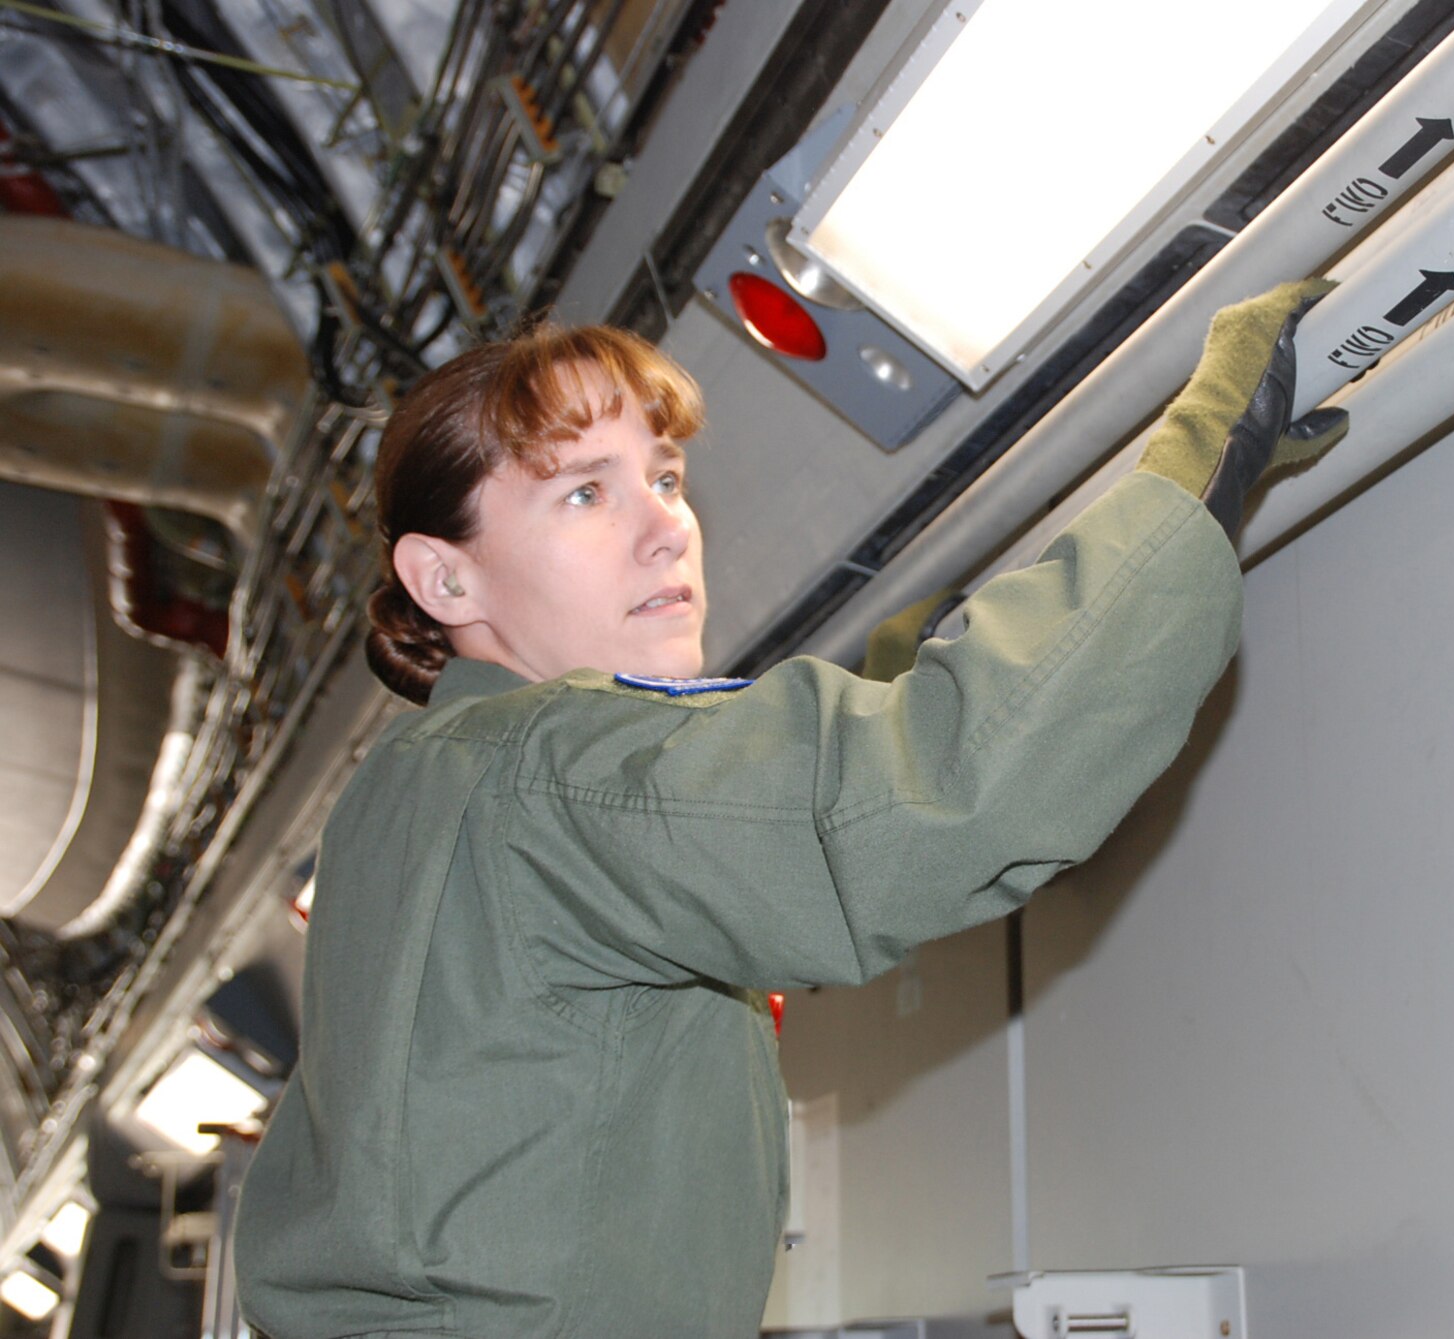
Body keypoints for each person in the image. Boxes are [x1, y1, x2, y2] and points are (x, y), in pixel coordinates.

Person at [232, 282, 1345, 1337]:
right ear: (446, 580)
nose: (666, 526)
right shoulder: (548, 766)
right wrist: (1194, 471)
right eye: (584, 490)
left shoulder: (417, 792)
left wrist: (896, 681)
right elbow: (941, 796)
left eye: (664, 477)